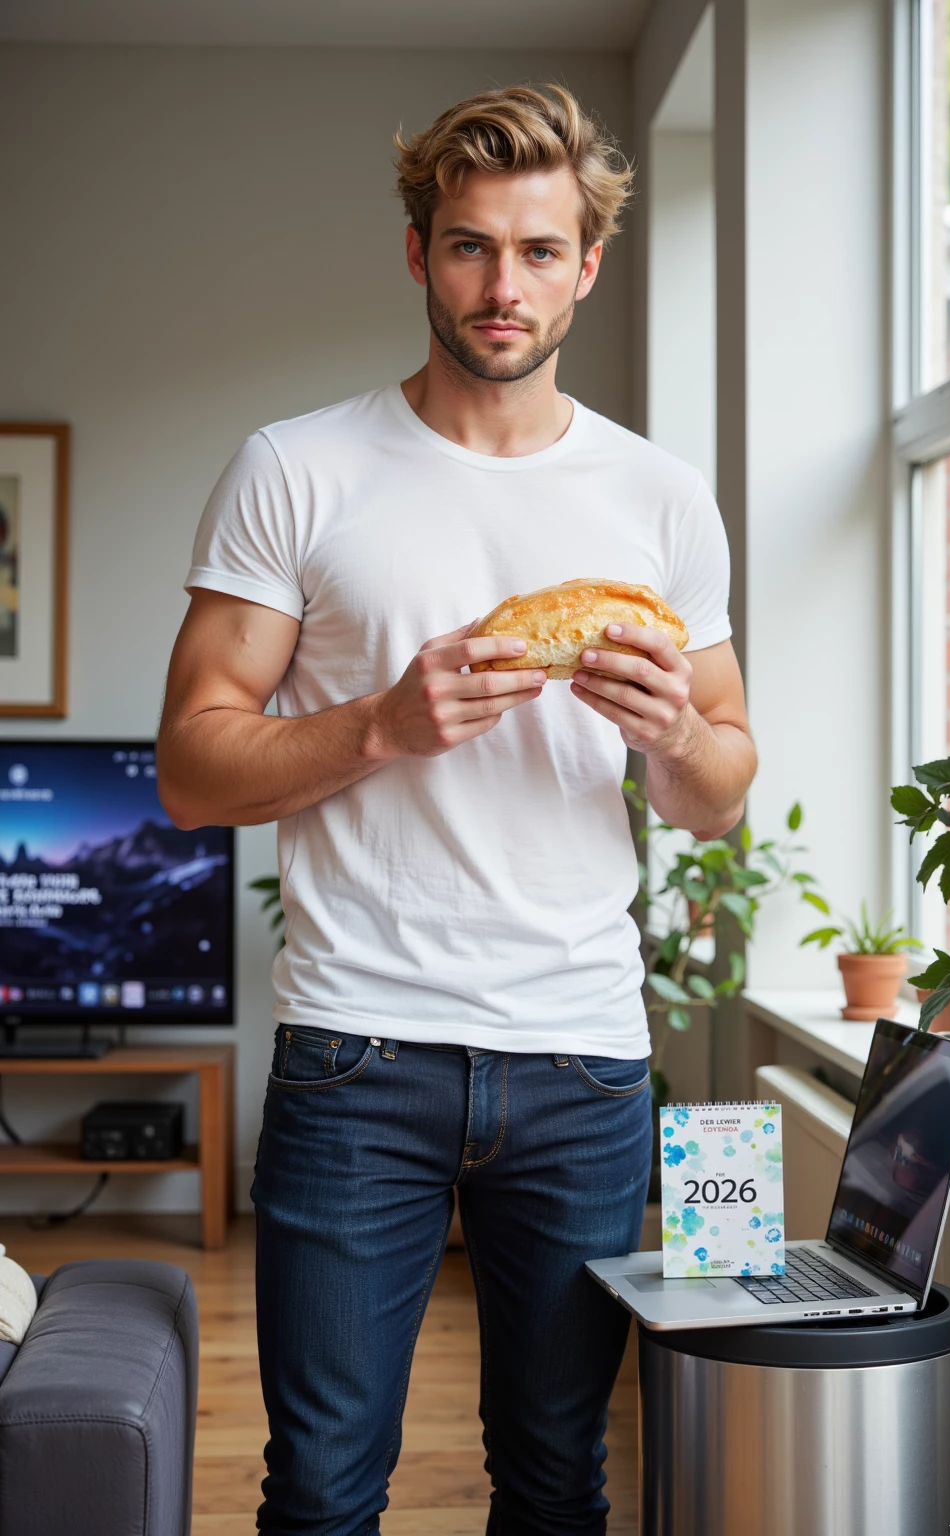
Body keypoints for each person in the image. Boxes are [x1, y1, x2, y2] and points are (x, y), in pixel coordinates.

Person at [157, 83, 756, 1536]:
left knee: (560, 1484)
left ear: (586, 267)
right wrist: (380, 723)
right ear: (419, 254)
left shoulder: (660, 497)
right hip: (358, 1050)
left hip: (584, 1059)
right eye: (474, 248)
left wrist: (674, 735)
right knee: (319, 1489)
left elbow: (724, 792)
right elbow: (190, 765)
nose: (507, 286)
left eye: (540, 252)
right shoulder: (296, 467)